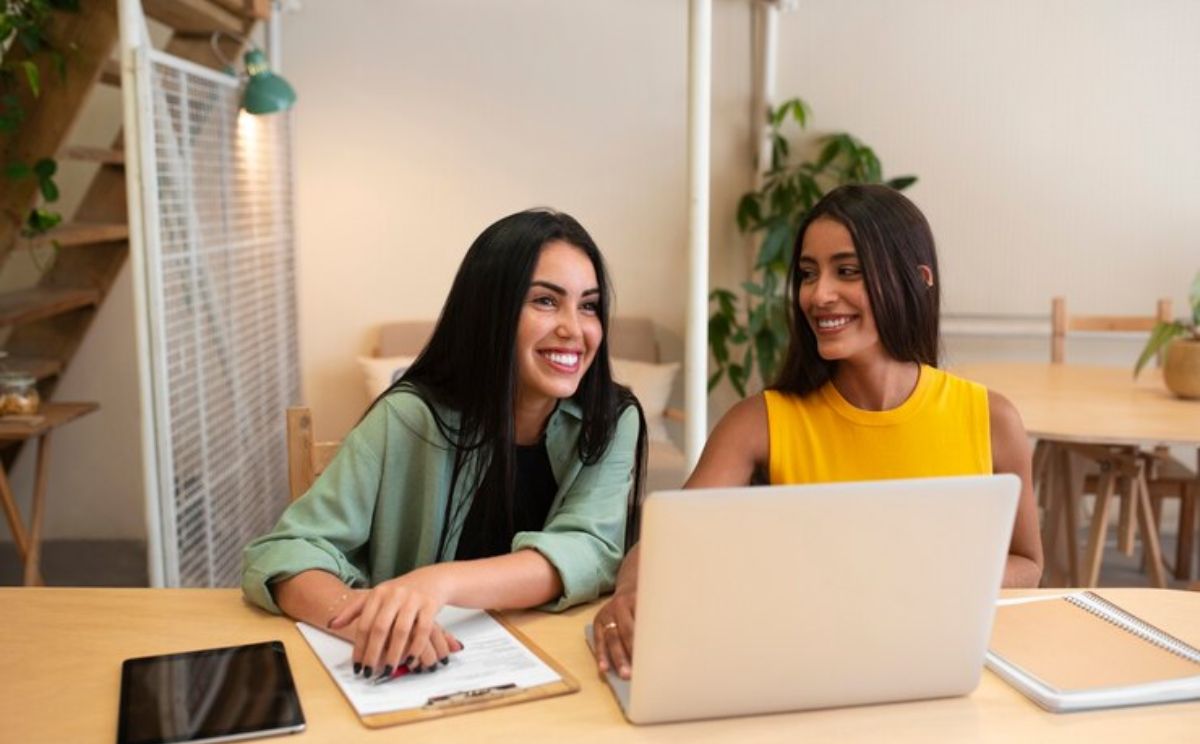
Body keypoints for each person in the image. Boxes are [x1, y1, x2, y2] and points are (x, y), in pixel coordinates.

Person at [593, 184, 1043, 678]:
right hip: (807, 671)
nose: (818, 294)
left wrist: (922, 584)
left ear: (918, 280)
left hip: (939, 666)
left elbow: (1027, 563)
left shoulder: (992, 420)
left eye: (846, 271)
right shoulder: (758, 422)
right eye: (808, 274)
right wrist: (632, 593)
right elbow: (663, 541)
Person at [243, 209, 646, 681]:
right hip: (426, 677)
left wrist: (438, 583)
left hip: (561, 671)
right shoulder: (409, 417)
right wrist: (366, 615)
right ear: (490, 310)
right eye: (544, 301)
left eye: (589, 306)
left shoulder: (612, 420)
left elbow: (588, 550)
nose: (574, 330)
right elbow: (286, 552)